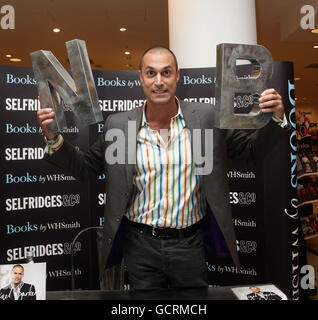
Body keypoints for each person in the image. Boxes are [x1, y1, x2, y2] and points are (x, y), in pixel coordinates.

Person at [37, 46, 287, 290]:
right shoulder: (120, 126)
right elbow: (85, 167)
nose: (159, 81)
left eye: (166, 72)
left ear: (177, 76)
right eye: (151, 73)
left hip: (189, 243)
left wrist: (276, 118)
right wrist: (53, 138)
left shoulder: (206, 118)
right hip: (140, 244)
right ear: (141, 78)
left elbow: (250, 151)